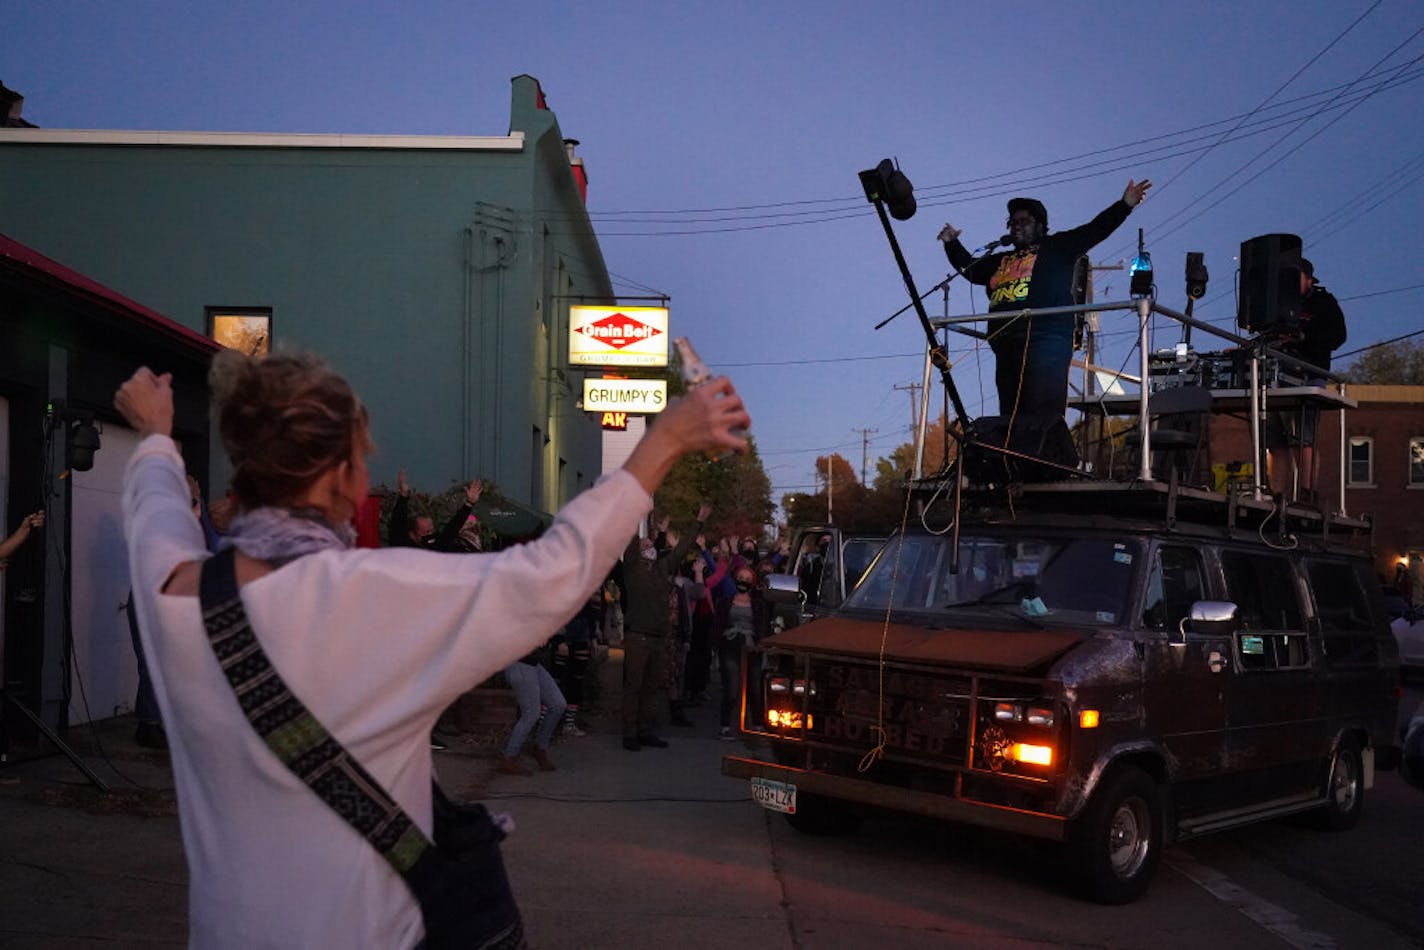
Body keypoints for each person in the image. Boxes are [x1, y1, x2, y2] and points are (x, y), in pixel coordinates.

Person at [116, 350, 748, 948]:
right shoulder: (374, 596)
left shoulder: (172, 592)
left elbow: (156, 514)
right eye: (361, 461)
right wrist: (664, 439)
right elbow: (552, 573)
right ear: (342, 475)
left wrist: (154, 437)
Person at [938, 181, 1152, 422]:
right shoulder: (1001, 259)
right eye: (1012, 223)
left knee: (1042, 418)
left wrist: (1124, 205)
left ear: (1040, 226)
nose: (1016, 227)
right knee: (1011, 421)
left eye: (1023, 222)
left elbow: (1095, 229)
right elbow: (972, 270)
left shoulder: (1057, 246)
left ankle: (1044, 457)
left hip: (1045, 340)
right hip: (1006, 344)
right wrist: (951, 243)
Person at [619, 506, 709, 751]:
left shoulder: (662, 568)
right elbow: (629, 539)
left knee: (652, 687)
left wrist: (698, 521)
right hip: (638, 635)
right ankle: (629, 733)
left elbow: (681, 549)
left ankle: (645, 730)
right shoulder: (633, 569)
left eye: (650, 542)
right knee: (634, 686)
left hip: (659, 636)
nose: (648, 544)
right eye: (644, 542)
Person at [1265, 257, 1347, 498]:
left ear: (1309, 279)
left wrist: (1304, 338)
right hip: (1276, 379)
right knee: (1275, 443)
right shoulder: (1277, 305)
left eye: (1294, 278)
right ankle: (1277, 494)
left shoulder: (1324, 303)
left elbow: (1338, 336)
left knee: (1302, 440)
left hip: (1309, 377)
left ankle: (1307, 493)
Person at [495, 644, 567, 775]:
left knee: (558, 704)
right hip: (519, 663)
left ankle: (539, 747)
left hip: (534, 664)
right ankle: (508, 758)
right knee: (531, 713)